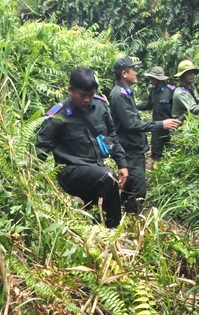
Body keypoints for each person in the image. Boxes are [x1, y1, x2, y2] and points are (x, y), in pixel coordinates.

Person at [36, 67, 129, 229]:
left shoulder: (100, 106)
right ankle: (113, 227)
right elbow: (40, 148)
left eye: (91, 95)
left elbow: (111, 136)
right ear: (70, 90)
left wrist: (122, 162)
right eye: (82, 95)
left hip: (95, 169)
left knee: (107, 180)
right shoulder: (58, 115)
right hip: (70, 172)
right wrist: (31, 177)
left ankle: (106, 228)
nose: (87, 100)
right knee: (108, 176)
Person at [110, 56, 180, 213]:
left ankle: (123, 215)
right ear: (124, 73)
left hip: (134, 147)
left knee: (129, 187)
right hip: (130, 149)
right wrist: (161, 124)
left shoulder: (126, 92)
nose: (136, 72)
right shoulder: (119, 94)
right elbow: (132, 124)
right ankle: (132, 219)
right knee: (138, 190)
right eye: (133, 69)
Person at [137, 66, 176, 161]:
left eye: (152, 78)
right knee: (155, 153)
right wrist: (135, 106)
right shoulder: (153, 92)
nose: (150, 80)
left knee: (171, 153)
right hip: (157, 128)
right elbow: (149, 105)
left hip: (170, 128)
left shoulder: (171, 91)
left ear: (158, 79)